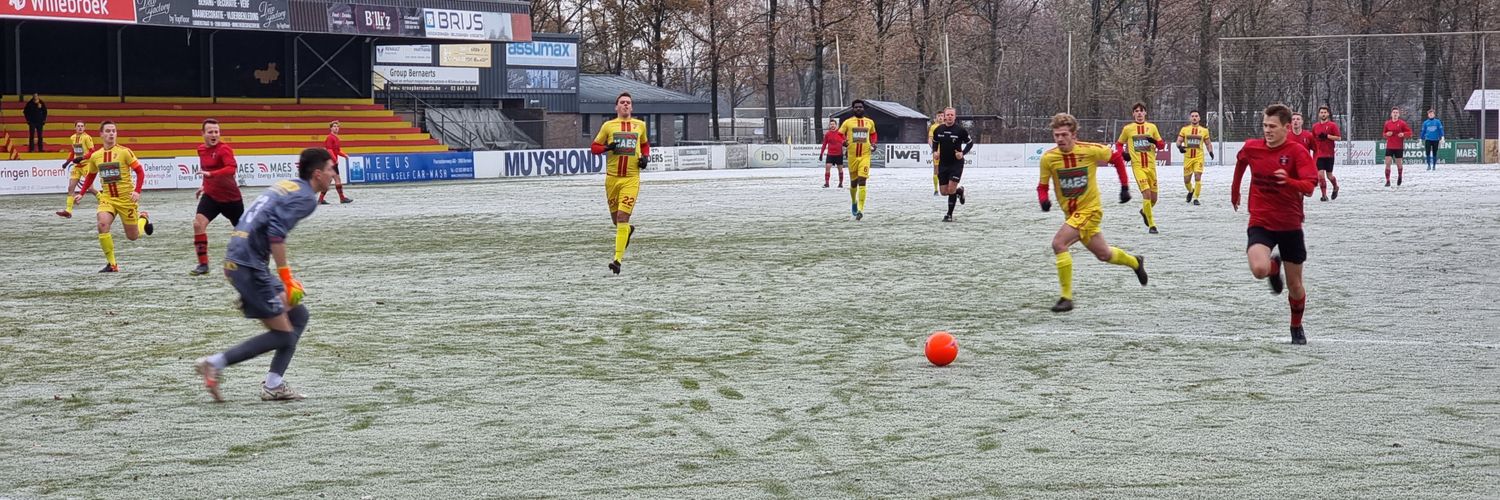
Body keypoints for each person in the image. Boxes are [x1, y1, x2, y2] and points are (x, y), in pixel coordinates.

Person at [193, 148, 335, 402]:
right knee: (283, 334)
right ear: (317, 173)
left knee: (298, 315)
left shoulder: (288, 185)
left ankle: (274, 384)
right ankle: (215, 363)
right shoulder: (306, 198)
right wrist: (287, 278)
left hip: (242, 259)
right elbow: (275, 235)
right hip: (248, 265)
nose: (334, 174)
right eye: (330, 169)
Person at [1039, 112, 1145, 313]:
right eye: (1056, 135)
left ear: (1074, 135)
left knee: (1058, 244)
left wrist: (1124, 187)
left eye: (1064, 135)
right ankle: (1135, 262)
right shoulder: (1049, 158)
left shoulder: (1089, 151)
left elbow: (1116, 157)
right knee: (1104, 254)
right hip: (1072, 216)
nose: (1060, 139)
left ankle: (1066, 298)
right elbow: (1042, 186)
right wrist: (1043, 200)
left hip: (1090, 210)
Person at [1231, 104, 1318, 345]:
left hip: (1290, 224)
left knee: (1295, 285)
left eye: (1272, 126)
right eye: (1265, 126)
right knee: (1258, 269)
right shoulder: (1252, 148)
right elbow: (1240, 163)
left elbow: (1309, 188)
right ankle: (1271, 267)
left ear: (1287, 128)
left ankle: (1296, 326)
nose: (1267, 131)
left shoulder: (1297, 152)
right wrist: (1235, 190)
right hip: (1261, 220)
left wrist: (1289, 181)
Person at [73, 121, 154, 272]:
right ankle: (112, 264)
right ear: (101, 134)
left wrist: (137, 191)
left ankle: (143, 218)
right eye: (108, 131)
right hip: (107, 198)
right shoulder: (96, 156)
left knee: (133, 236)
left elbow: (140, 171)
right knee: (102, 224)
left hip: (126, 199)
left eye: (114, 131)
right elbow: (90, 176)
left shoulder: (125, 152)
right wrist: (81, 193)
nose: (111, 133)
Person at [590, 92, 649, 275]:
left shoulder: (640, 125)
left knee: (623, 217)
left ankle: (617, 260)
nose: (625, 105)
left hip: (631, 179)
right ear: (616, 107)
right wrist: (607, 147)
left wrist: (645, 158)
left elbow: (645, 145)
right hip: (612, 179)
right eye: (622, 103)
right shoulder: (608, 126)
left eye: (628, 103)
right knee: (618, 222)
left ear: (632, 107)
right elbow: (594, 148)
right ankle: (627, 231)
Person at [191, 119, 245, 275]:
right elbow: (205, 169)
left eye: (216, 131)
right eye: (210, 132)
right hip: (211, 197)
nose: (214, 135)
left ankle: (257, 256)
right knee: (197, 224)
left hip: (231, 199)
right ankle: (203, 265)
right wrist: (204, 185)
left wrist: (211, 174)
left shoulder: (224, 150)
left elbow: (231, 169)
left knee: (243, 232)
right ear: (203, 134)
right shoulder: (201, 149)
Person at [1116, 102, 1164, 233]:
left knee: (1154, 199)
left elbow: (1161, 145)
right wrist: (1123, 154)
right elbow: (1119, 144)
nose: (1139, 113)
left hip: (1151, 167)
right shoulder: (1128, 129)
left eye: (1141, 111)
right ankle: (1152, 225)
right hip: (1138, 167)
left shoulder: (1152, 127)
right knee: (1147, 194)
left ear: (1145, 113)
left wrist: (1154, 141)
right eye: (1136, 111)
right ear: (1133, 114)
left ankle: (1144, 211)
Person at [930, 107, 972, 221]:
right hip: (943, 163)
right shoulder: (938, 130)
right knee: (944, 192)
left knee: (951, 188)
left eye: (951, 115)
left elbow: (970, 143)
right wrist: (934, 152)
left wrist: (962, 153)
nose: (949, 117)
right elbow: (935, 143)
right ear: (944, 116)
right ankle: (960, 191)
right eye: (947, 115)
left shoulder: (960, 130)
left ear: (955, 117)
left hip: (956, 163)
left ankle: (949, 215)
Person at [839, 99, 877, 220]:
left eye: (860, 107)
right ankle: (854, 202)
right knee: (853, 183)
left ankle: (860, 209)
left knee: (862, 180)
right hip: (852, 156)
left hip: (865, 155)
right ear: (853, 109)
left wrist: (874, 143)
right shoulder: (848, 122)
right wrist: (843, 142)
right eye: (856, 107)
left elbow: (873, 134)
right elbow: (840, 134)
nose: (858, 109)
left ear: (863, 108)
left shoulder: (869, 122)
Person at [55, 120, 97, 218]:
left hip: (86, 164)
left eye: (82, 126)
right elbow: (73, 151)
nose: (80, 128)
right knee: (70, 188)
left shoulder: (87, 138)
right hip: (77, 166)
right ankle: (68, 211)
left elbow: (92, 151)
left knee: (90, 188)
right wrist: (67, 162)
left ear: (84, 128)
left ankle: (104, 202)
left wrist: (82, 158)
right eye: (78, 126)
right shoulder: (73, 138)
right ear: (75, 128)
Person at [1174, 110, 1214, 206]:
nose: (1194, 117)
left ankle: (1196, 198)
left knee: (1197, 176)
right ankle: (1191, 191)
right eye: (1192, 116)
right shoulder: (1184, 129)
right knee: (1186, 180)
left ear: (1199, 118)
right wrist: (1180, 147)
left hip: (1198, 158)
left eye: (1196, 116)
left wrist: (1210, 151)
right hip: (1188, 158)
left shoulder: (1204, 131)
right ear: (1190, 118)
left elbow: (1208, 143)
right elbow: (1178, 142)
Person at [1310, 105, 1342, 201]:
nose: (1323, 114)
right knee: (1320, 175)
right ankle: (1324, 195)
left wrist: (1327, 136)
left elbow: (1339, 138)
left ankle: (1335, 187)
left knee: (1329, 176)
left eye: (1325, 112)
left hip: (1329, 154)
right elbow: (1313, 139)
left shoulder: (1332, 125)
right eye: (1321, 112)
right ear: (1319, 114)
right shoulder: (1315, 126)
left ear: (1328, 114)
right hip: (1319, 154)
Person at [320, 121, 354, 204]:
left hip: (331, 162)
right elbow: (329, 150)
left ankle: (321, 199)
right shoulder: (330, 137)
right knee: (337, 179)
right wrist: (335, 160)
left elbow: (337, 151)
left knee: (329, 180)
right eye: (334, 126)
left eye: (337, 126)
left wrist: (344, 155)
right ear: (331, 128)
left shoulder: (336, 138)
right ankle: (342, 198)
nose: (336, 128)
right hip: (331, 162)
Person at [1382, 107, 1411, 187]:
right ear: (1391, 114)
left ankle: (1400, 176)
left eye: (1396, 113)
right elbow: (1383, 134)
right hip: (1390, 146)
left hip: (1399, 146)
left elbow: (1409, 132)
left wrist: (1403, 134)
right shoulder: (1387, 123)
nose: (1395, 114)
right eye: (1394, 112)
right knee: (1388, 162)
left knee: (1399, 163)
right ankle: (1388, 181)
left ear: (1398, 114)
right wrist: (1387, 134)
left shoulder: (1402, 123)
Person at [818, 118, 846, 188]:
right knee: (827, 168)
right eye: (831, 124)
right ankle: (827, 183)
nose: (832, 125)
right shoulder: (827, 134)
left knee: (840, 169)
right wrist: (821, 154)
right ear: (829, 125)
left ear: (836, 125)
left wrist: (846, 151)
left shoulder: (840, 133)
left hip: (839, 154)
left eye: (833, 124)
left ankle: (840, 183)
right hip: (830, 154)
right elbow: (824, 144)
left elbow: (846, 142)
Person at [928, 117, 941, 195]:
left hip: (946, 152)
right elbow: (930, 139)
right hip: (937, 152)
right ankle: (936, 190)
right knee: (936, 170)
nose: (940, 117)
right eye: (938, 116)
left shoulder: (948, 126)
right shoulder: (933, 127)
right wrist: (934, 149)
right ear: (936, 118)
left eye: (942, 115)